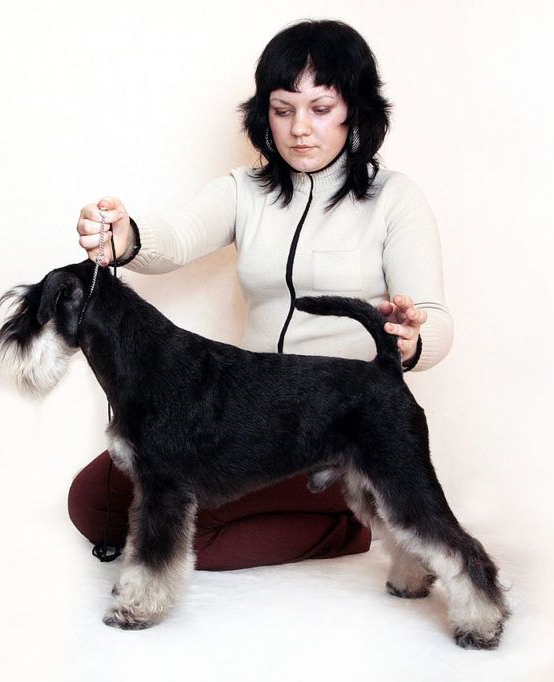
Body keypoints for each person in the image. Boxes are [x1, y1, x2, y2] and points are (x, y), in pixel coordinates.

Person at [67, 19, 453, 571]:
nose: (299, 129)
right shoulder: (243, 190)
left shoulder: (395, 198)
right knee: (93, 501)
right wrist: (125, 236)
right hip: (247, 410)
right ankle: (335, 519)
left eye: (321, 108)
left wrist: (413, 339)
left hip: (339, 413)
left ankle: (343, 526)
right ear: (263, 113)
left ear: (356, 110)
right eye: (282, 109)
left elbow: (434, 319)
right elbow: (176, 238)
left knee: (170, 524)